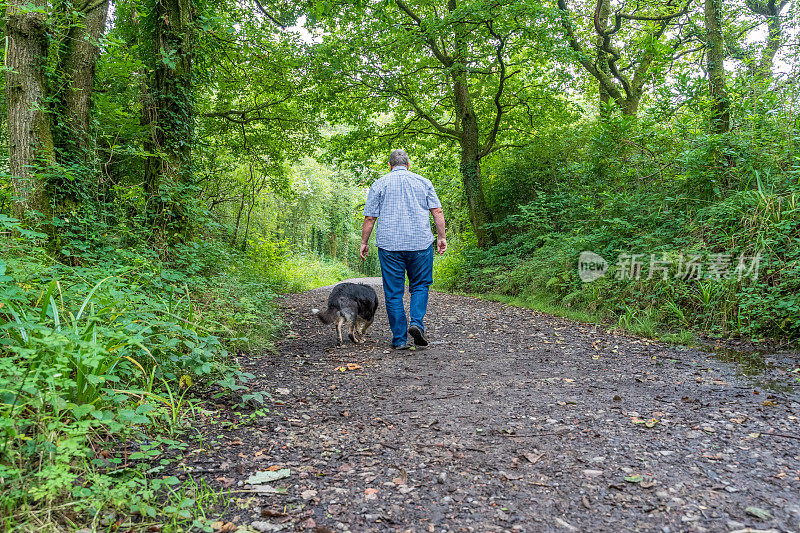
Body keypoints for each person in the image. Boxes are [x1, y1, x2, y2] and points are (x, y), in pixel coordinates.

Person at [360, 149, 447, 350]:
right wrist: (441, 237)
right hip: (420, 244)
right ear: (408, 165)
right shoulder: (423, 182)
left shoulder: (379, 184)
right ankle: (416, 323)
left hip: (390, 246)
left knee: (393, 293)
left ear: (390, 166)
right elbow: (437, 211)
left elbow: (370, 218)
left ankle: (399, 339)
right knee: (420, 285)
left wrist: (364, 242)